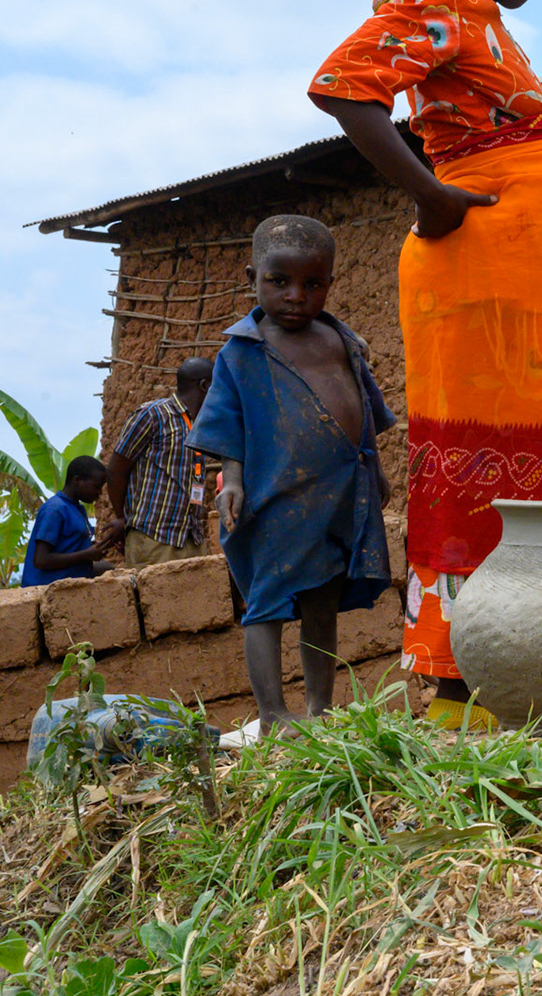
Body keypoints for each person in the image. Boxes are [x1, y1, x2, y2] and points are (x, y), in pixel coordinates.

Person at [309, 0, 542, 729]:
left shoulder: (490, 25)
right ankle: (467, 686)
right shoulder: (440, 1)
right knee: (489, 463)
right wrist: (431, 196)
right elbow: (344, 86)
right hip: (487, 279)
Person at [188, 216, 393, 733]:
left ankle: (319, 711)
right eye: (280, 282)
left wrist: (378, 472)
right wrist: (231, 481)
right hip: (275, 497)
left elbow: (364, 410)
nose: (296, 296)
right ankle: (273, 714)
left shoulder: (341, 341)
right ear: (253, 276)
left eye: (313, 283)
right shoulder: (244, 351)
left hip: (339, 494)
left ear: (330, 282)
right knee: (267, 603)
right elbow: (227, 423)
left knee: (324, 601)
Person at [97, 359, 214, 567]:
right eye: (218, 385)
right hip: (154, 538)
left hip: (190, 539)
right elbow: (116, 470)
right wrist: (123, 518)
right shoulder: (154, 415)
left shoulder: (199, 425)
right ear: (205, 386)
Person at [21, 457, 110, 587]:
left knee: (109, 569)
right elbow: (41, 560)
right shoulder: (55, 509)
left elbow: (67, 546)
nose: (99, 493)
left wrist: (97, 547)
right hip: (47, 587)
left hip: (69, 577)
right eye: (96, 487)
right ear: (77, 480)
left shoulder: (77, 509)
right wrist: (85, 554)